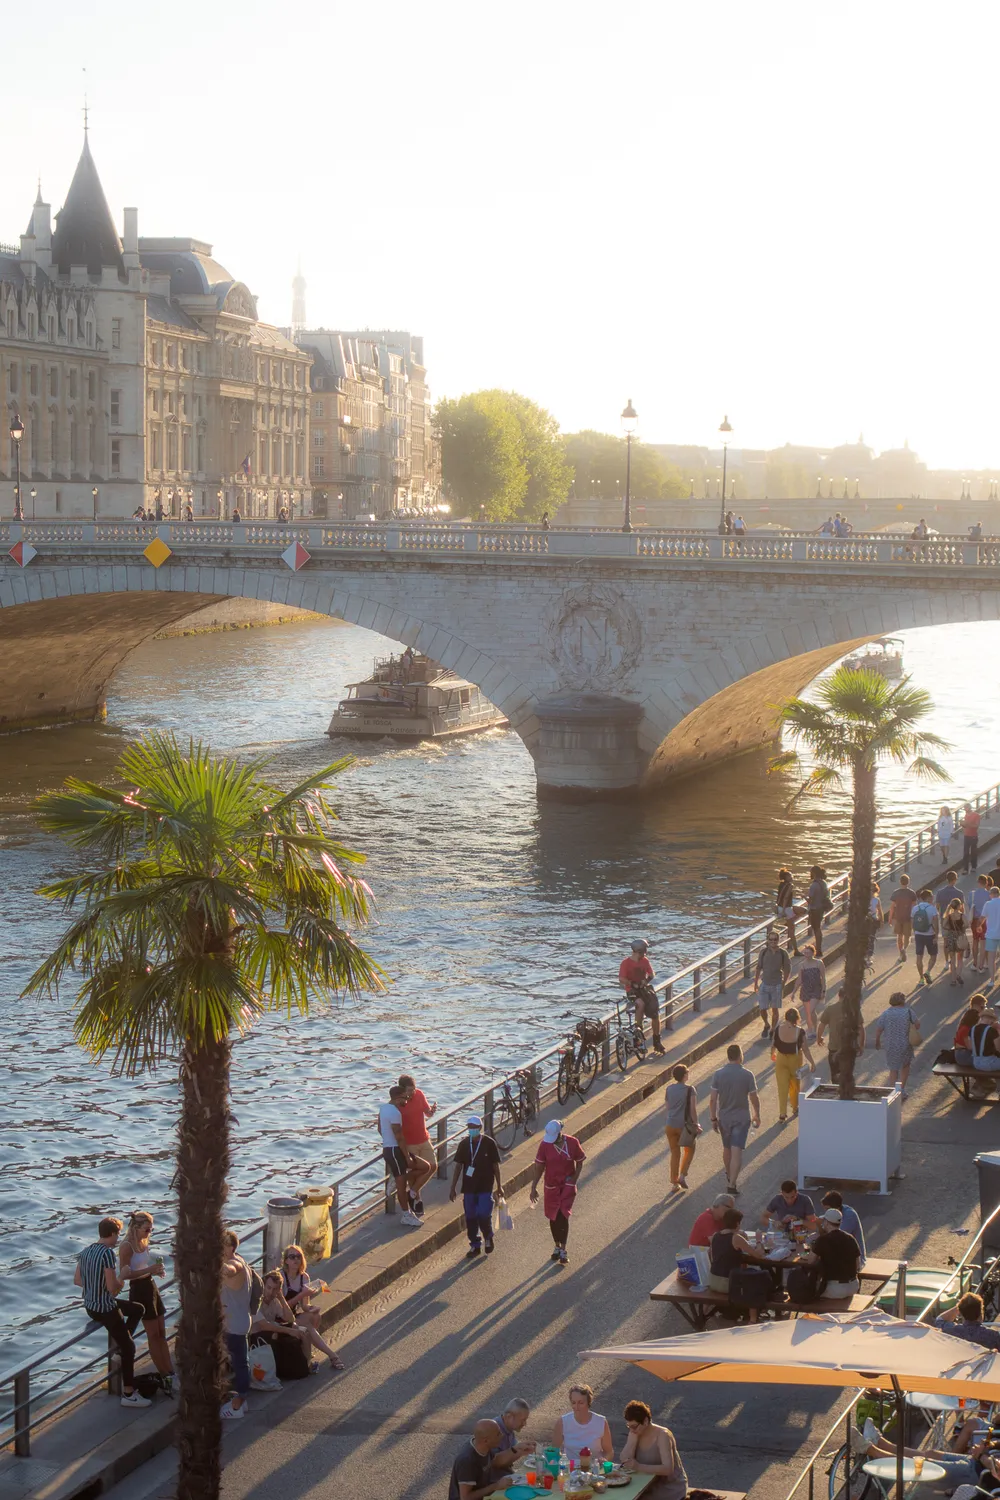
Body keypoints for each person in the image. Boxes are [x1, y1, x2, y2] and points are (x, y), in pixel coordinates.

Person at [74, 1216, 150, 1410]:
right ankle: (129, 1393)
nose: (118, 1240)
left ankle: (120, 1350)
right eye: (118, 1235)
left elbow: (77, 1281)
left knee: (137, 1309)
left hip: (91, 1306)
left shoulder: (85, 1251)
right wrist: (122, 1277)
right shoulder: (108, 1254)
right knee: (130, 1348)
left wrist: (94, 1284)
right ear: (114, 1233)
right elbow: (113, 1289)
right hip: (106, 1308)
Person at [118, 1211, 174, 1387]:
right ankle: (165, 1375)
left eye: (151, 1229)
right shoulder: (126, 1246)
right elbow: (125, 1275)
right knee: (153, 1335)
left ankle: (171, 1371)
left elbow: (144, 1267)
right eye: (147, 1230)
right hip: (139, 1289)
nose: (149, 1233)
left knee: (162, 1333)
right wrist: (149, 1270)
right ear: (135, 1228)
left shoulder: (143, 1242)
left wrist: (156, 1270)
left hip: (150, 1286)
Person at [530, 1120, 585, 1266]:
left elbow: (579, 1162)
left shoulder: (573, 1143)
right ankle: (556, 1244)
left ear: (560, 1133)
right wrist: (533, 1187)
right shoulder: (545, 1146)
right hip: (551, 1187)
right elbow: (539, 1167)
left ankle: (563, 1250)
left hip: (567, 1185)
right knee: (553, 1217)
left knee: (563, 1215)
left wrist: (573, 1180)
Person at [278, 1245, 344, 1366]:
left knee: (315, 1316)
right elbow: (281, 1307)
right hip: (280, 1317)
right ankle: (332, 1355)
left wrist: (312, 1308)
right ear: (286, 1260)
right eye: (292, 1257)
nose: (296, 1260)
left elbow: (304, 1305)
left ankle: (307, 1343)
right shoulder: (281, 1277)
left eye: (298, 1256)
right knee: (308, 1325)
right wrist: (303, 1293)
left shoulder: (304, 1276)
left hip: (291, 1315)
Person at [449, 1115, 503, 1259]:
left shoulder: (489, 1143)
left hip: (485, 1186)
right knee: (471, 1217)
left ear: (480, 1128)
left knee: (484, 1215)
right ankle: (475, 1244)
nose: (472, 1130)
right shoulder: (464, 1144)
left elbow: (495, 1166)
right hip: (469, 1187)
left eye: (474, 1128)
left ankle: (488, 1237)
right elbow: (458, 1166)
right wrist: (453, 1187)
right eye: (470, 1127)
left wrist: (499, 1186)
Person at [709, 1044, 760, 1194]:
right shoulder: (747, 1074)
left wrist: (713, 1118)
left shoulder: (718, 1074)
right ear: (740, 1056)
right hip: (742, 1118)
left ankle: (728, 1173)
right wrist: (757, 1113)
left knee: (727, 1149)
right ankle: (732, 1184)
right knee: (736, 1150)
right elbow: (753, 1097)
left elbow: (713, 1099)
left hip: (724, 1117)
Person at [378, 1083, 426, 1228]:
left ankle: (396, 1178)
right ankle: (406, 1215)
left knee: (426, 1167)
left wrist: (387, 1140)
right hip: (395, 1150)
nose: (407, 1100)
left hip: (389, 1148)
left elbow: (380, 1128)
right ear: (398, 1098)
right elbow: (399, 1137)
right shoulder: (395, 1113)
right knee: (401, 1186)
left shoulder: (383, 1108)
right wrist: (407, 1157)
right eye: (405, 1098)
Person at [620, 1401, 688, 1499]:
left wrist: (638, 1466)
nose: (631, 1430)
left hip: (669, 1487)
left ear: (646, 1421)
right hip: (646, 1484)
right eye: (629, 1426)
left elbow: (668, 1469)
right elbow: (625, 1459)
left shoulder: (663, 1435)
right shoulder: (634, 1433)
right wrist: (632, 1440)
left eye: (634, 1426)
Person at [708, 1207, 770, 1313]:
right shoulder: (736, 1238)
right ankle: (753, 1318)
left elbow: (711, 1255)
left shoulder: (715, 1236)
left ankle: (706, 1310)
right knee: (754, 1280)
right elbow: (758, 1255)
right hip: (728, 1283)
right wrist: (759, 1240)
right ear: (737, 1224)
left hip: (713, 1280)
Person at [251, 1270, 313, 1370]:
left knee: (303, 1331)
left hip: (272, 1329)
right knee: (276, 1334)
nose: (270, 1292)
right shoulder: (256, 1300)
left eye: (275, 1289)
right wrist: (289, 1331)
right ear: (264, 1286)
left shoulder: (275, 1300)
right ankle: (278, 1369)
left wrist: (281, 1298)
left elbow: (290, 1319)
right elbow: (264, 1325)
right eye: (269, 1288)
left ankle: (307, 1364)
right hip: (256, 1336)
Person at [221, 1229, 252, 1419]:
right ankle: (242, 1401)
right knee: (241, 1362)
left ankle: (237, 1404)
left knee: (238, 1364)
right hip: (240, 1320)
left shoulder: (235, 1263)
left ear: (231, 1247)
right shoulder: (241, 1260)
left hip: (234, 1324)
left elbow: (230, 1269)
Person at [618, 938, 665, 1054]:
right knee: (640, 1004)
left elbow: (651, 973)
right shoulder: (626, 963)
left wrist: (646, 980)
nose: (645, 953)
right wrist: (631, 983)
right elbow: (621, 979)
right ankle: (638, 1031)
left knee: (655, 1013)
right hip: (632, 991)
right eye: (644, 951)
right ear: (638, 951)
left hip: (644, 988)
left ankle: (657, 1039)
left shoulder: (645, 961)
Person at [802, 1207, 861, 1298]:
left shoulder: (822, 1240)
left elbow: (811, 1261)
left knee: (812, 1293)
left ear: (826, 1222)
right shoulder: (850, 1238)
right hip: (853, 1286)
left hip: (835, 1289)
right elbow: (857, 1265)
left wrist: (805, 1256)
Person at [448, 1419, 514, 1500]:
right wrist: (496, 1486)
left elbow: (497, 1460)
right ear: (486, 1440)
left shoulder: (483, 1446)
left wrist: (517, 1450)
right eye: (498, 1434)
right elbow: (465, 1497)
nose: (502, 1435)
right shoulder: (467, 1461)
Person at [770, 1006, 816, 1121]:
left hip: (780, 1058)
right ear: (797, 1018)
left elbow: (773, 1044)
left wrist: (772, 1054)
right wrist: (812, 1062)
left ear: (785, 1017)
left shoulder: (778, 1028)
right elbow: (805, 1049)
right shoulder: (799, 1031)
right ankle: (795, 1108)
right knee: (795, 1085)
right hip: (794, 1060)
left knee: (782, 1086)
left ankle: (782, 1113)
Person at [815, 985, 866, 1087]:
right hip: (849, 1048)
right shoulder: (854, 1010)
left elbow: (821, 1025)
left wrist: (819, 1038)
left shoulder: (830, 1009)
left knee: (835, 1075)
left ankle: (838, 1092)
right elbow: (861, 1028)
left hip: (834, 1048)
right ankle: (846, 1092)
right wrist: (861, 1045)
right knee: (847, 1074)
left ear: (839, 996)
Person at [873, 991, 920, 1095]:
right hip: (905, 1044)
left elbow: (879, 1029)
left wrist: (877, 1041)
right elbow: (917, 1025)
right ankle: (901, 1089)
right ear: (902, 1001)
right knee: (905, 1066)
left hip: (891, 1045)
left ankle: (892, 1091)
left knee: (893, 1069)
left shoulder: (886, 1013)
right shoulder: (908, 1012)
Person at [552, 1384, 614, 1463]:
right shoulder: (562, 1422)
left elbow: (609, 1452)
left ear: (589, 1402)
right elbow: (553, 1451)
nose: (576, 1407)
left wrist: (604, 1460)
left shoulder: (601, 1422)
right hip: (570, 1470)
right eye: (573, 1403)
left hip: (593, 1470)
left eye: (581, 1403)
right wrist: (563, 1462)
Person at [664, 1063, 701, 1191]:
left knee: (675, 1153)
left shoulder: (669, 1089)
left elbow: (668, 1108)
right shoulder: (690, 1090)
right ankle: (682, 1175)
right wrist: (696, 1125)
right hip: (683, 1126)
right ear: (684, 1076)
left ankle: (674, 1183)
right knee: (690, 1148)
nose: (688, 1074)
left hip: (670, 1125)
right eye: (687, 1073)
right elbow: (693, 1110)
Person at [399, 1072, 438, 1182]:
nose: (413, 1093)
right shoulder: (398, 1103)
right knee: (415, 1169)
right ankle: (415, 1196)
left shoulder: (419, 1094)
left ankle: (412, 1190)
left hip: (423, 1138)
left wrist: (432, 1111)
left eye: (414, 1089)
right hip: (409, 1143)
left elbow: (427, 1113)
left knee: (433, 1166)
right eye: (409, 1090)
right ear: (402, 1090)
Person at [754, 931, 791, 1040]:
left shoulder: (783, 953)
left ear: (778, 940)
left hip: (777, 985)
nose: (773, 941)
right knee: (762, 1008)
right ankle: (766, 1024)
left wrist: (783, 983)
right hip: (764, 984)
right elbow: (758, 967)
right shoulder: (763, 952)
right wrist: (756, 983)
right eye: (771, 939)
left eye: (775, 939)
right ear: (768, 940)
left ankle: (773, 1029)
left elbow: (787, 969)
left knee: (775, 1010)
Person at [935, 1292, 1000, 1351]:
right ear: (981, 1313)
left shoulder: (950, 1330)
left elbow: (939, 1319)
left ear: (961, 1313)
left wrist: (960, 1306)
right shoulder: (994, 1336)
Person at [487, 1398, 533, 1476]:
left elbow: (508, 1460)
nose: (525, 1424)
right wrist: (516, 1449)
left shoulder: (509, 1429)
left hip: (503, 1475)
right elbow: (494, 1463)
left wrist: (522, 1451)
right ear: (509, 1417)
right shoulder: (493, 1429)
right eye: (522, 1420)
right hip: (492, 1480)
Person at [820, 1191, 866, 1258]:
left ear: (836, 1209)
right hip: (839, 1253)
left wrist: (822, 1226)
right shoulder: (833, 1214)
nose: (826, 1212)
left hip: (854, 1258)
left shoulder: (849, 1215)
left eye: (827, 1209)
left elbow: (837, 1236)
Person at [911, 886, 940, 985]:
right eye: (932, 896)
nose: (933, 898)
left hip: (919, 934)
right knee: (933, 955)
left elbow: (912, 922)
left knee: (919, 957)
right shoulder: (932, 909)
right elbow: (936, 923)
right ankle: (927, 972)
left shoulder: (915, 908)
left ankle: (921, 979)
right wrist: (936, 935)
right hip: (930, 935)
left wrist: (914, 933)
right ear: (928, 898)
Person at [796, 944, 826, 1036]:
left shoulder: (819, 963)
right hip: (805, 990)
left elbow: (823, 978)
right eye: (805, 953)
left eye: (808, 953)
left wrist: (823, 991)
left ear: (813, 953)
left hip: (816, 989)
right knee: (810, 1012)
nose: (806, 955)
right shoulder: (802, 965)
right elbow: (799, 979)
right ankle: (812, 1029)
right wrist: (794, 991)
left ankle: (812, 1030)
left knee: (810, 1010)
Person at [888, 873, 918, 961]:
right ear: (908, 882)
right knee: (907, 936)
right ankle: (904, 949)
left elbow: (892, 907)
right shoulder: (912, 893)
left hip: (898, 917)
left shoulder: (896, 893)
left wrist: (890, 918)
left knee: (899, 936)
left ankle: (901, 952)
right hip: (908, 918)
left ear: (900, 882)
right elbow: (914, 907)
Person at [806, 866, 832, 956]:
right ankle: (819, 948)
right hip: (821, 908)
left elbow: (810, 900)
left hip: (814, 909)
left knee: (816, 929)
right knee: (818, 928)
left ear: (814, 873)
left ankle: (818, 949)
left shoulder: (814, 885)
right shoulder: (824, 883)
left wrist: (804, 897)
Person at [776, 867, 803, 955]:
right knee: (792, 931)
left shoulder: (781, 884)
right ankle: (796, 950)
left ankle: (788, 922)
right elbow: (786, 898)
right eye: (790, 875)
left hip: (780, 907)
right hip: (786, 908)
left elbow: (780, 896)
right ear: (786, 877)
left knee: (802, 911)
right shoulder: (790, 885)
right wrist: (784, 910)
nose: (792, 876)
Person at [943, 898, 969, 986]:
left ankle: (953, 980)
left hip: (951, 937)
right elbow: (967, 924)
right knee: (960, 958)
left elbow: (943, 925)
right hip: (960, 936)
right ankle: (958, 975)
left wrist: (950, 929)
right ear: (959, 906)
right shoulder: (962, 916)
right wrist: (962, 928)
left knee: (952, 959)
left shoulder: (949, 916)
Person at [970, 875, 992, 972]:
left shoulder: (972, 894)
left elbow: (969, 906)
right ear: (986, 883)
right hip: (985, 920)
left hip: (974, 920)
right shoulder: (989, 894)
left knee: (975, 941)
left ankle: (975, 963)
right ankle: (982, 966)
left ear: (978, 882)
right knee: (983, 942)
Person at [969, 1010, 1000, 1077]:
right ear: (991, 1019)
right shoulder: (992, 1030)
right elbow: (998, 1048)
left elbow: (970, 1047)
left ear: (982, 1018)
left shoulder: (972, 1029)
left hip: (976, 1063)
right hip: (989, 1063)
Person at [984, 886, 1000, 986]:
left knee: (991, 959)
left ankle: (992, 980)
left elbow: (982, 917)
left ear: (991, 894)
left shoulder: (988, 904)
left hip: (991, 935)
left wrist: (979, 926)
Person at [962, 804, 982, 873]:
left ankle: (974, 867)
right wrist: (963, 824)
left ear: (970, 808)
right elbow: (965, 826)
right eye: (965, 808)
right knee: (965, 853)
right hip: (966, 835)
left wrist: (967, 824)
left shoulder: (976, 815)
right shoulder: (966, 815)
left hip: (973, 836)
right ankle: (965, 869)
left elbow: (976, 825)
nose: (965, 809)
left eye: (966, 808)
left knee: (973, 852)